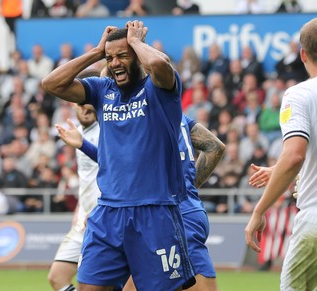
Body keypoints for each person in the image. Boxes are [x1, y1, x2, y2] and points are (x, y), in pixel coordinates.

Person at [42, 20, 195, 290]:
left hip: (155, 212)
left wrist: (136, 42)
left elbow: (160, 66)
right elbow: (51, 83)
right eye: (111, 58)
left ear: (138, 57)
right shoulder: (102, 91)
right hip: (108, 213)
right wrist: (96, 52)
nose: (115, 63)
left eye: (122, 56)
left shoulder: (159, 91)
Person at [58, 113, 225, 291]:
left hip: (168, 216)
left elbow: (124, 163)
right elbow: (215, 147)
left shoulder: (140, 116)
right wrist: (188, 189)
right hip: (182, 211)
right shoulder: (178, 116)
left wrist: (85, 146)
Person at [245, 17, 317, 290]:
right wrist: (281, 168)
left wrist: (259, 210)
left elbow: (295, 155)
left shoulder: (299, 94)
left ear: (303, 54)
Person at [48, 87, 101, 291]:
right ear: (73, 105)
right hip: (83, 220)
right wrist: (80, 208)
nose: (85, 108)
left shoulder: (107, 130)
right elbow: (87, 178)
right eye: (80, 104)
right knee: (56, 277)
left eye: (89, 103)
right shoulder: (75, 132)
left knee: (99, 284)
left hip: (105, 218)